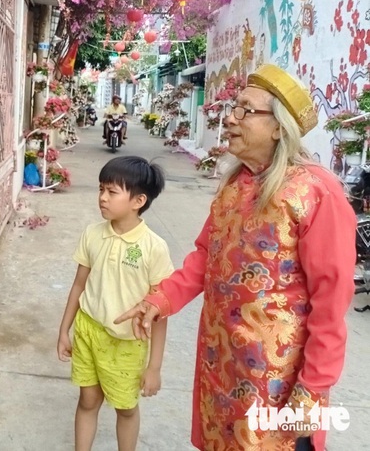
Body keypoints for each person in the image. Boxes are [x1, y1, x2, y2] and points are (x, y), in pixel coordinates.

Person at [115, 64, 356, 451]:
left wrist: (314, 387)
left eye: (246, 109)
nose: (230, 117)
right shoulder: (235, 183)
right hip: (222, 365)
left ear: (279, 127)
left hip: (280, 383)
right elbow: (206, 257)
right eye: (234, 106)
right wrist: (159, 300)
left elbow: (331, 303)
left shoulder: (314, 192)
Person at [58, 156, 174, 451]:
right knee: (87, 400)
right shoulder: (93, 235)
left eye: (111, 192)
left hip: (126, 343)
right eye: (101, 190)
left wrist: (154, 367)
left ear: (138, 200)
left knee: (125, 408)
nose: (102, 198)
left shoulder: (153, 247)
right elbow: (78, 285)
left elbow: (160, 311)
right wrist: (64, 331)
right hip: (88, 331)